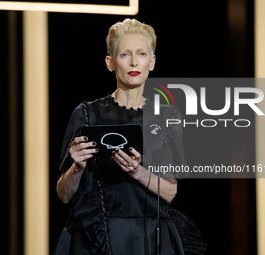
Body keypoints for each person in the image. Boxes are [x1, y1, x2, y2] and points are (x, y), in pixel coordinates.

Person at [54, 18, 206, 255]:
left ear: (152, 62)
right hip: (96, 236)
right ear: (110, 63)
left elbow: (170, 192)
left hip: (150, 234)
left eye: (142, 54)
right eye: (125, 54)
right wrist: (77, 167)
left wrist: (138, 172)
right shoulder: (86, 114)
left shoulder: (167, 116)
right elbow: (64, 195)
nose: (134, 61)